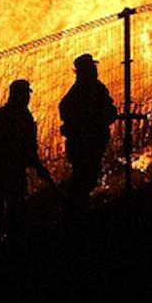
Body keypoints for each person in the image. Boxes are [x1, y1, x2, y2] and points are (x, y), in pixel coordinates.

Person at [0, 79, 54, 233]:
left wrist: (36, 165)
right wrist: (37, 165)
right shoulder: (18, 118)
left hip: (5, 171)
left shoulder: (7, 116)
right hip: (3, 171)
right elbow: (17, 148)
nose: (27, 98)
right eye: (25, 94)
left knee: (7, 208)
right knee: (7, 208)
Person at [59, 54, 118, 210]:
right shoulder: (93, 89)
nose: (95, 70)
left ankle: (77, 208)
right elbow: (108, 110)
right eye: (92, 67)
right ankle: (77, 210)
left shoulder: (78, 91)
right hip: (89, 143)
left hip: (81, 143)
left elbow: (64, 110)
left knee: (83, 177)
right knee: (86, 178)